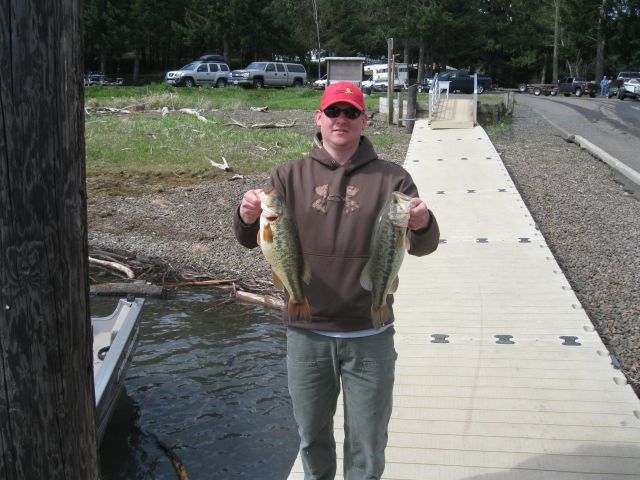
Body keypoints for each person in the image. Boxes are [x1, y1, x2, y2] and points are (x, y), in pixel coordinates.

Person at [233, 82, 440, 480]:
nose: (341, 119)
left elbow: (423, 246)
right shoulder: (287, 176)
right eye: (333, 112)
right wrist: (245, 216)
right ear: (319, 118)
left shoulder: (393, 180)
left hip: (370, 334)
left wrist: (423, 222)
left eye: (350, 112)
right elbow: (251, 238)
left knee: (368, 442)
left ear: (364, 120)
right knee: (312, 438)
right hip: (307, 333)